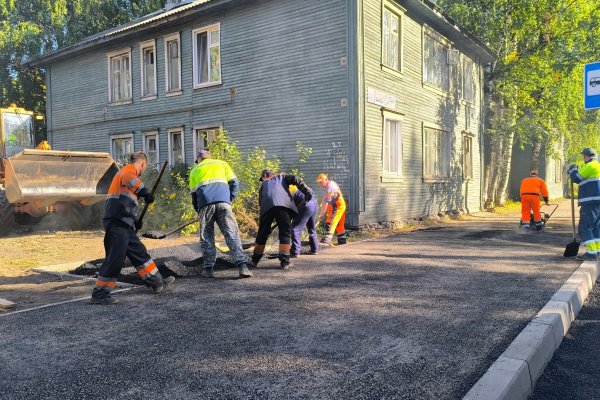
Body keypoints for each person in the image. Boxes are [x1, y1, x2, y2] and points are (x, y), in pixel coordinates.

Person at [91, 152, 175, 304]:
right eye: (145, 166)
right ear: (142, 163)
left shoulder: (126, 177)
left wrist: (134, 220)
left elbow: (125, 203)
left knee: (140, 253)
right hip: (117, 222)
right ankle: (100, 294)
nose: (144, 169)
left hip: (123, 222)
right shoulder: (128, 171)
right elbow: (133, 183)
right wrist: (145, 192)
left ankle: (156, 282)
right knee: (115, 258)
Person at [189, 149, 253, 278]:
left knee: (206, 236)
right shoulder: (221, 163)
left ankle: (208, 269)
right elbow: (234, 182)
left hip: (205, 204)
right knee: (231, 233)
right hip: (224, 202)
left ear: (199, 159)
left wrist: (199, 211)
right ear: (210, 157)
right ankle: (242, 267)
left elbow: (194, 196)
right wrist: (230, 199)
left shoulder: (194, 170)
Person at [249, 169, 314, 269]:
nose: (262, 180)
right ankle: (284, 262)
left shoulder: (263, 185)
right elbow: (296, 179)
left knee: (262, 234)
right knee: (284, 232)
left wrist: (264, 225)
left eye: (262, 178)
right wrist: (306, 191)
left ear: (265, 175)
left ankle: (254, 260)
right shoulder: (282, 177)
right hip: (284, 207)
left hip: (267, 208)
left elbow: (261, 203)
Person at [568, 147, 600, 261]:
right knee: (595, 227)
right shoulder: (597, 166)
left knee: (584, 227)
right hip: (597, 202)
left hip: (590, 202)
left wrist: (572, 169)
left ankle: (591, 253)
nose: (583, 158)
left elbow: (577, 178)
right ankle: (597, 250)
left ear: (588, 156)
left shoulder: (591, 165)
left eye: (584, 156)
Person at [316, 173, 347, 245]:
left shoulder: (330, 187)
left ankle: (326, 240)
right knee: (339, 225)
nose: (320, 184)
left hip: (337, 207)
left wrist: (322, 214)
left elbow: (325, 202)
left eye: (322, 182)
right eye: (319, 183)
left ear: (326, 180)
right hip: (340, 206)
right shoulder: (330, 185)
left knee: (330, 222)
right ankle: (342, 242)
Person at [289, 184, 319, 257]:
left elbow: (289, 206)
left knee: (295, 229)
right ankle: (314, 249)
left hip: (305, 205)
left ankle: (295, 252)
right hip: (314, 204)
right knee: (311, 228)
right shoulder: (298, 185)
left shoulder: (288, 187)